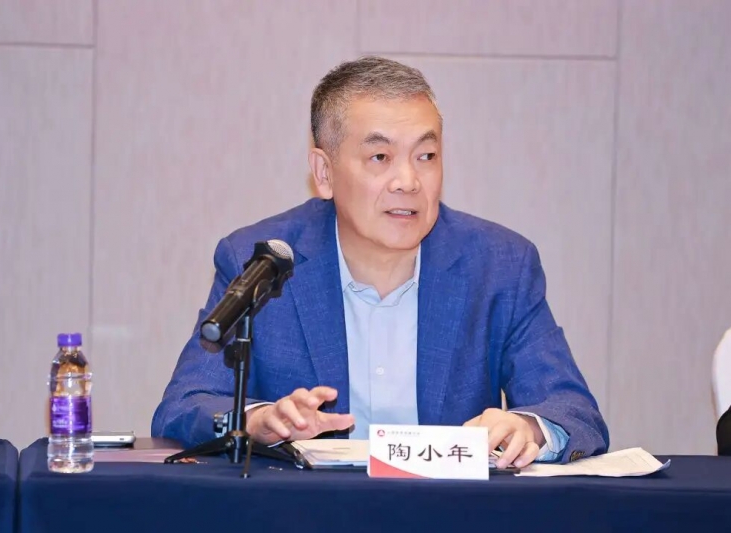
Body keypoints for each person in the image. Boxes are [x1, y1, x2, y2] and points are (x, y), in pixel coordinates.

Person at [152, 56, 609, 468]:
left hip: (450, 515)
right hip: (306, 516)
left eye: (426, 156)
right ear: (324, 173)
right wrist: (256, 420)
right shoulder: (263, 261)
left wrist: (528, 428)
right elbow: (186, 403)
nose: (408, 181)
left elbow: (573, 411)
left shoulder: (499, 265)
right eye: (380, 157)